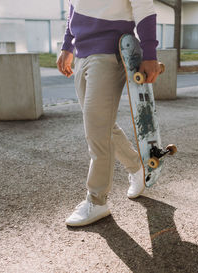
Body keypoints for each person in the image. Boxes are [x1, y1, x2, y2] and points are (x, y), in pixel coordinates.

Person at [57, 0, 161, 227]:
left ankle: (97, 200)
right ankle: (137, 167)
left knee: (96, 129)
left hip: (109, 53)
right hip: (82, 52)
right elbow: (74, 8)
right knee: (101, 125)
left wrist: (150, 54)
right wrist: (67, 46)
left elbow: (144, 7)